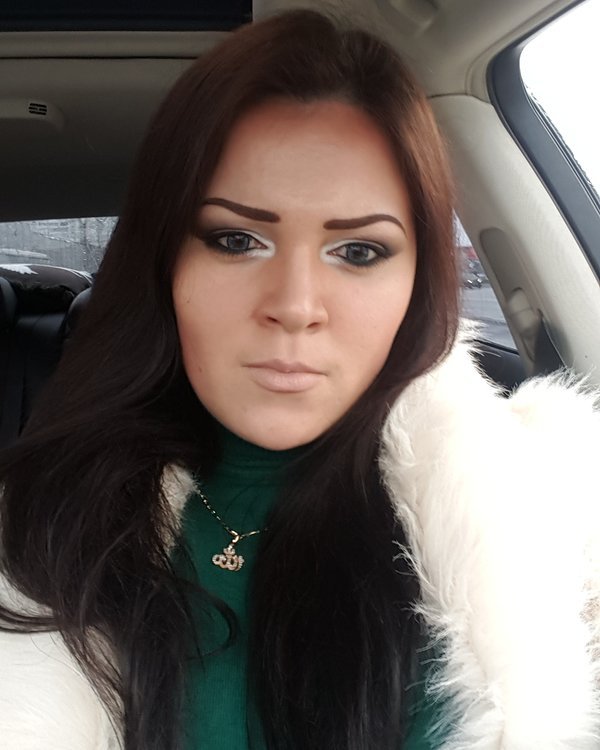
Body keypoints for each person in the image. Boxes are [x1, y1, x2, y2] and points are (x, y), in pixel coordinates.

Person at [0, 9, 599, 750]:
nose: (295, 306)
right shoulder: (35, 525)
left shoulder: (554, 516)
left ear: (420, 282)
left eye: (359, 251)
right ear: (164, 264)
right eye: (236, 239)